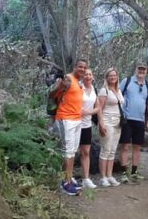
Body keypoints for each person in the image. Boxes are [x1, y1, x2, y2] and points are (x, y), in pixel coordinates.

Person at [51, 59, 87, 195]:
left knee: (72, 151)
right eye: (80, 67)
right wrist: (60, 86)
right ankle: (65, 182)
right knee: (67, 151)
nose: (82, 69)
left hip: (77, 119)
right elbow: (53, 95)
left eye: (84, 67)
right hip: (65, 119)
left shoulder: (79, 82)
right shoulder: (68, 79)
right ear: (75, 67)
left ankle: (69, 177)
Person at [118, 64, 148, 183]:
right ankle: (123, 172)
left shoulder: (147, 85)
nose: (141, 71)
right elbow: (118, 95)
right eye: (139, 69)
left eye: (143, 69)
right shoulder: (127, 81)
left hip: (140, 120)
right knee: (125, 146)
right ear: (136, 70)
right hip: (127, 119)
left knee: (137, 147)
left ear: (146, 71)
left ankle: (134, 172)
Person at [97, 68, 124, 187]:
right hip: (107, 122)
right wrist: (101, 124)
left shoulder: (118, 90)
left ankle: (109, 175)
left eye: (115, 75)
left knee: (113, 150)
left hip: (118, 123)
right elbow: (99, 108)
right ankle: (103, 177)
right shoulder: (104, 91)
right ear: (106, 77)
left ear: (117, 77)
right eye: (110, 76)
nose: (113, 77)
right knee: (106, 150)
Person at [78, 69, 99, 189]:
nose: (88, 76)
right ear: (82, 76)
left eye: (90, 74)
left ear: (93, 77)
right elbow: (75, 105)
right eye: (86, 74)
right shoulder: (79, 88)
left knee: (86, 152)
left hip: (87, 125)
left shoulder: (94, 89)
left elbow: (98, 107)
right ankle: (67, 178)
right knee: (71, 152)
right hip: (76, 124)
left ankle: (86, 178)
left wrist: (90, 112)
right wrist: (84, 112)